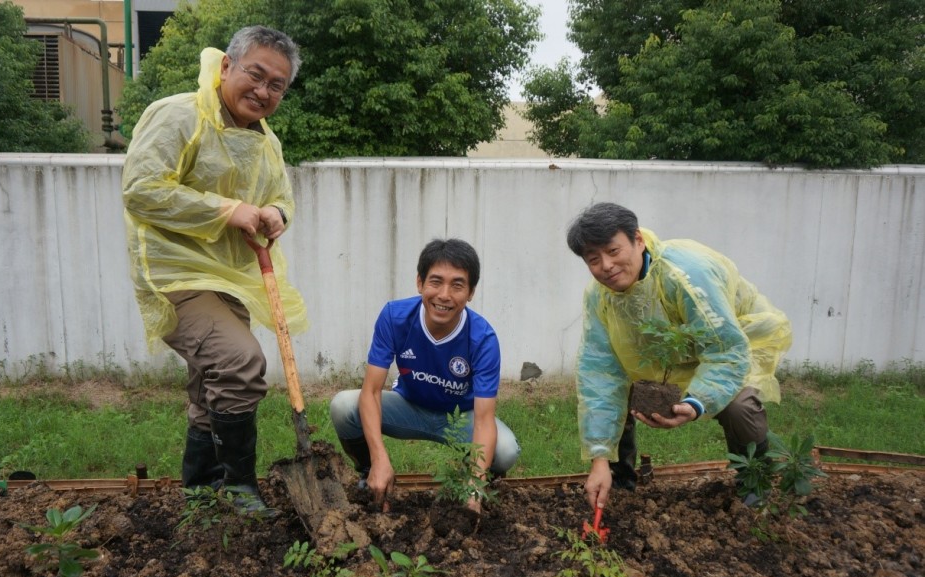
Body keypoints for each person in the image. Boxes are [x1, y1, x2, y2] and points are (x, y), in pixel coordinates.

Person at [122, 26, 307, 515]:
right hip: (176, 274)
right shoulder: (179, 116)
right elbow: (141, 188)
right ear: (227, 66)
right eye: (256, 75)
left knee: (213, 383)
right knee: (240, 363)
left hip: (230, 276)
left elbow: (281, 197)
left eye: (277, 86)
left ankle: (200, 492)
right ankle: (241, 485)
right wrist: (227, 210)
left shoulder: (266, 141)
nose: (264, 92)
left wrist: (276, 215)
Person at [566, 202, 792, 512]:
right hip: (665, 362)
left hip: (732, 346)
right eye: (593, 259)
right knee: (615, 394)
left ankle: (754, 482)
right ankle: (618, 481)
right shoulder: (599, 296)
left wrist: (697, 403)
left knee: (739, 405)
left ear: (638, 240)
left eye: (613, 251)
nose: (605, 265)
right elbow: (600, 373)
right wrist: (600, 458)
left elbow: (724, 350)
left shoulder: (685, 275)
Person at [330, 239, 521, 512]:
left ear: (471, 292)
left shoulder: (483, 338)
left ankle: (480, 488)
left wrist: (475, 485)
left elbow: (483, 417)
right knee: (344, 406)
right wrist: (379, 457)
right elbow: (371, 392)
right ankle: (369, 475)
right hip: (409, 407)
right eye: (435, 282)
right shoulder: (394, 317)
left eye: (457, 285)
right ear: (420, 283)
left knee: (505, 450)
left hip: (460, 419)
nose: (444, 295)